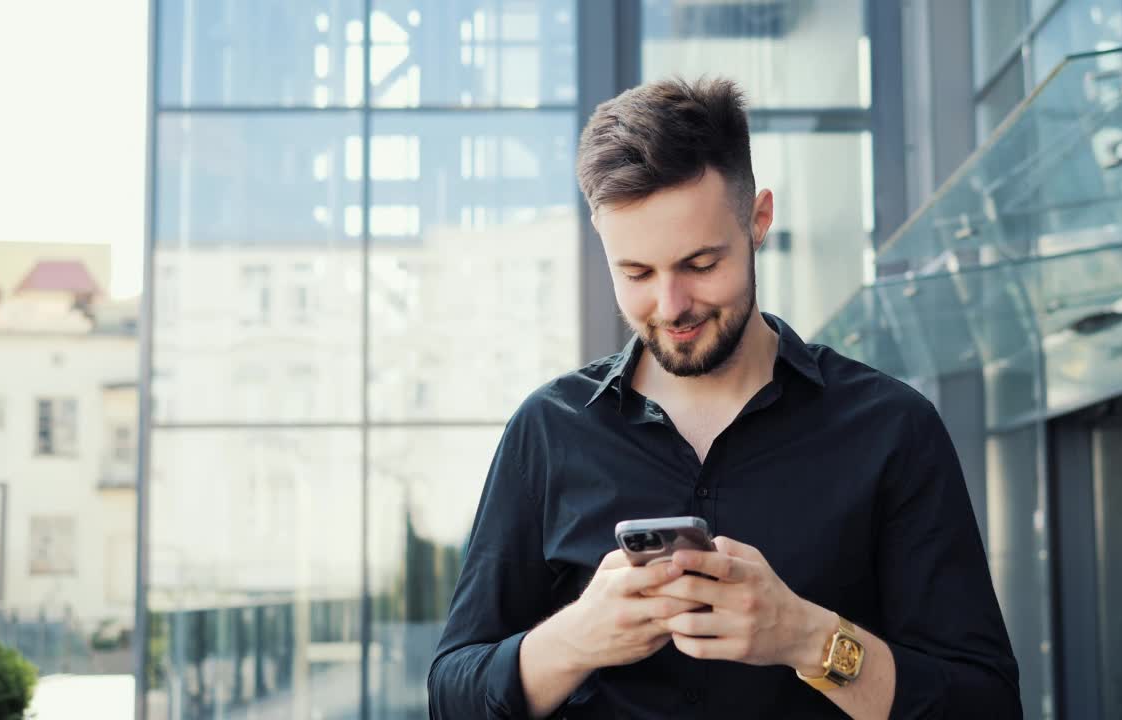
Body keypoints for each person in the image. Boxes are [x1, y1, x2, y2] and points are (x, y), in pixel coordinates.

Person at [428, 76, 1021, 719]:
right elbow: (450, 695)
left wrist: (807, 638)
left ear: (759, 220)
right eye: (636, 273)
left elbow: (986, 705)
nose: (671, 305)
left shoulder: (893, 429)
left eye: (701, 265)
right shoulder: (548, 430)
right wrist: (573, 640)